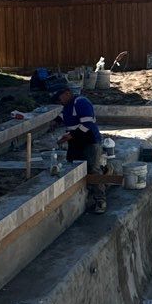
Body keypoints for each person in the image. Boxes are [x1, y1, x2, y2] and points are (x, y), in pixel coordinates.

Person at [56, 82, 106, 214]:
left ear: (67, 94)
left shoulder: (81, 102)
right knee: (71, 165)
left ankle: (100, 200)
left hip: (90, 141)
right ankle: (83, 194)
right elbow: (63, 115)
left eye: (60, 97)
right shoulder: (67, 105)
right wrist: (55, 121)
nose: (58, 100)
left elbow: (87, 124)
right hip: (75, 140)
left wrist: (70, 135)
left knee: (93, 169)